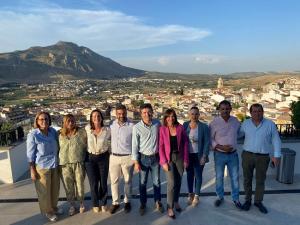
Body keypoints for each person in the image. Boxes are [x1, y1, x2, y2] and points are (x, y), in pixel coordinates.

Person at [240, 103, 281, 214]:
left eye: (259, 111)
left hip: (263, 157)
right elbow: (238, 135)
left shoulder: (270, 124)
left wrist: (276, 155)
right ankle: (247, 200)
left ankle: (258, 201)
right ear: (250, 113)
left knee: (260, 181)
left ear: (263, 112)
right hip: (247, 155)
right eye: (254, 111)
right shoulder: (245, 123)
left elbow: (276, 140)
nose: (257, 113)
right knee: (247, 179)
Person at [26, 112, 61, 222]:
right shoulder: (33, 135)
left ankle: (54, 208)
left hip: (54, 165)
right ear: (37, 121)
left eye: (46, 119)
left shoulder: (53, 132)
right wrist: (32, 170)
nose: (44, 121)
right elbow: (30, 155)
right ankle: (48, 211)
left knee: (55, 189)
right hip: (42, 167)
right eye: (41, 119)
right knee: (44, 191)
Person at [209, 100, 242, 209]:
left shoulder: (236, 121)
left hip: (233, 155)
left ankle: (236, 199)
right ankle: (220, 197)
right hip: (219, 154)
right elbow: (210, 139)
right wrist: (221, 147)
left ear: (230, 109)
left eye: (227, 108)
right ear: (219, 110)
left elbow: (240, 133)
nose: (225, 111)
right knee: (219, 177)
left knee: (235, 177)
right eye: (223, 109)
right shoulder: (214, 122)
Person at [132, 103, 164, 216]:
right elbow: (134, 146)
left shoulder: (157, 124)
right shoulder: (136, 128)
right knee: (142, 183)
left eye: (149, 112)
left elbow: (162, 140)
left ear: (152, 112)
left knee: (157, 182)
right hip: (143, 158)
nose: (147, 114)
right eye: (144, 112)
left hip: (155, 158)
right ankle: (143, 203)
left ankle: (158, 201)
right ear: (140, 114)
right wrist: (136, 162)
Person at [159, 108, 189, 219]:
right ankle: (169, 206)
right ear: (165, 118)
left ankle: (176, 201)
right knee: (171, 183)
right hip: (169, 158)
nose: (171, 118)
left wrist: (186, 159)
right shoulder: (162, 129)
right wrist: (163, 162)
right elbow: (161, 146)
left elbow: (185, 143)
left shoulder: (180, 128)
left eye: (173, 116)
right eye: (168, 116)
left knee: (179, 181)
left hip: (180, 157)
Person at [58, 114, 87, 216]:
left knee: (80, 185)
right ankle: (72, 205)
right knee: (68, 186)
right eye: (68, 121)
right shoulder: (59, 134)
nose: (70, 123)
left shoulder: (81, 132)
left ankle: (81, 203)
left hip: (78, 162)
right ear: (64, 122)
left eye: (72, 121)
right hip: (64, 164)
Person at [109, 104, 134, 214]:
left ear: (126, 113)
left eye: (123, 113)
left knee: (128, 181)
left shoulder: (131, 126)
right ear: (115, 114)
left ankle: (127, 201)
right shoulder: (111, 125)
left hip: (127, 157)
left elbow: (135, 143)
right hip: (114, 157)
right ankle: (115, 203)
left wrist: (134, 158)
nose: (121, 115)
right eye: (119, 113)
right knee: (114, 181)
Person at [183, 106, 210, 207]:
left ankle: (197, 195)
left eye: (196, 114)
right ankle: (190, 194)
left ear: (199, 115)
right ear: (189, 115)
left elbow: (207, 142)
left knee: (198, 176)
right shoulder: (185, 125)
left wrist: (204, 156)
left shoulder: (204, 127)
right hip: (188, 155)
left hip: (199, 155)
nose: (194, 116)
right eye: (192, 114)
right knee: (189, 175)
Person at [85, 109, 111, 213]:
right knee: (93, 183)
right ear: (91, 118)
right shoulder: (87, 129)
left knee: (103, 182)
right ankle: (95, 203)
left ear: (101, 118)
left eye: (98, 116)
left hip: (103, 157)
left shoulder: (107, 130)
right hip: (90, 158)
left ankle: (104, 202)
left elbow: (112, 142)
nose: (96, 118)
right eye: (94, 116)